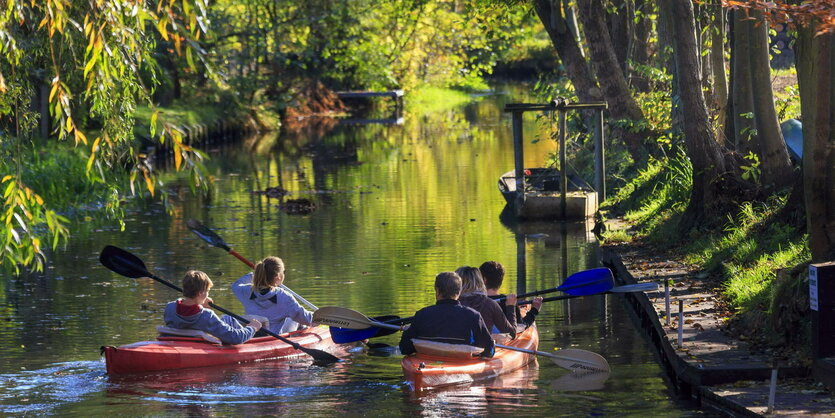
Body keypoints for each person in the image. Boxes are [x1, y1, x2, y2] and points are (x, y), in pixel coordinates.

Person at [399, 272, 495, 357]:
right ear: (459, 292)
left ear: (437, 291)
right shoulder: (473, 316)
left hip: (426, 362)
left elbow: (404, 349)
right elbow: (489, 351)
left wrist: (407, 332)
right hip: (460, 362)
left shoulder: (421, 314)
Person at [164, 270, 261, 344]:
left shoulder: (170, 308)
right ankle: (250, 341)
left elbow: (188, 313)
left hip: (181, 341)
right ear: (200, 293)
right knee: (230, 319)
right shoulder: (206, 315)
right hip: (199, 345)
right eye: (207, 291)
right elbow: (235, 338)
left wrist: (199, 304)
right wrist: (252, 328)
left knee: (227, 318)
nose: (207, 295)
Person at [232, 256, 315, 335]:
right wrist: (318, 315)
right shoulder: (284, 296)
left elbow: (235, 285)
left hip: (254, 334)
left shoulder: (246, 291)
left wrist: (255, 275)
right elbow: (308, 320)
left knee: (293, 314)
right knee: (294, 318)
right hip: (274, 338)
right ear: (278, 276)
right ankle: (302, 332)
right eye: (284, 272)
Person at [456, 266, 517, 338]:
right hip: (481, 347)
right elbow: (511, 333)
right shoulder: (490, 304)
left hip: (454, 346)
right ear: (480, 281)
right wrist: (511, 307)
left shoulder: (450, 303)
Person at [479, 261, 543, 329]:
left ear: (484, 280)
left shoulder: (473, 300)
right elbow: (521, 326)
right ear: (501, 280)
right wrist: (534, 310)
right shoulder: (508, 302)